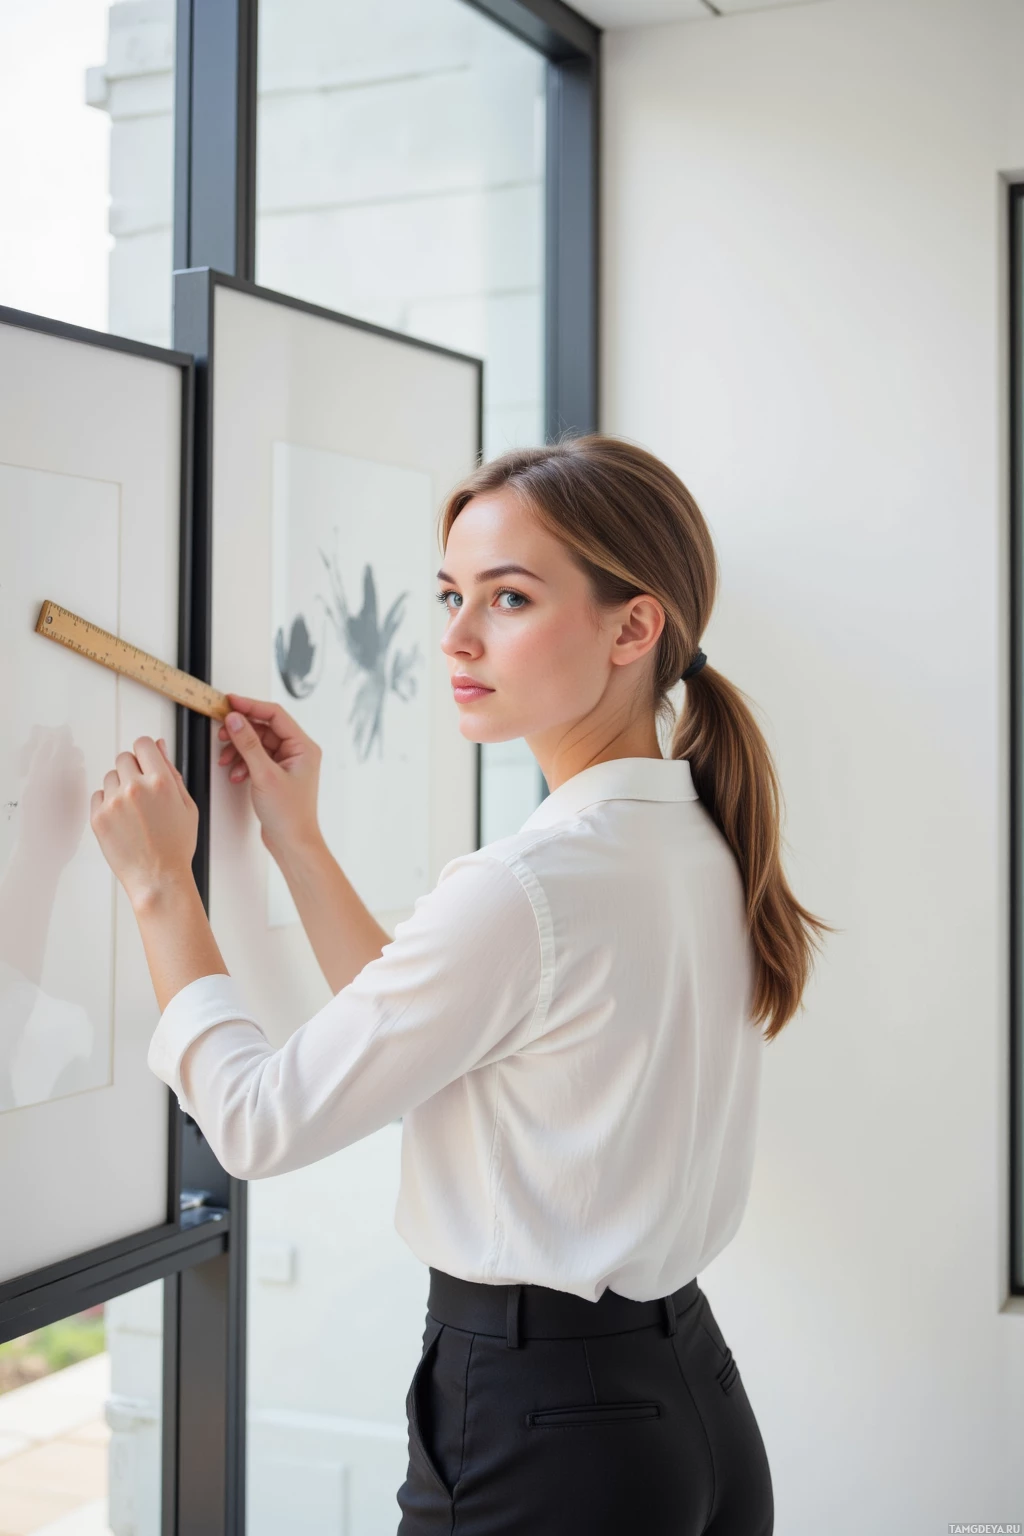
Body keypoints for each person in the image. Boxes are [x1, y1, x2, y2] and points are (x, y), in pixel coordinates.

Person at [90, 434, 831, 1535]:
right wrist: (296, 839)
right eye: (449, 595)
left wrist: (160, 890)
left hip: (546, 1432)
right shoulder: (694, 838)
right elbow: (433, 1021)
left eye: (510, 599)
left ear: (634, 627)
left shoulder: (534, 881)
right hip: (688, 1406)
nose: (455, 639)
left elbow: (253, 1123)